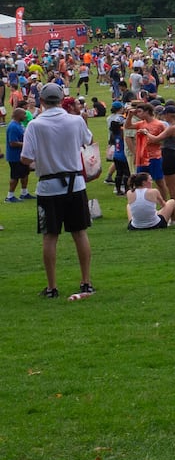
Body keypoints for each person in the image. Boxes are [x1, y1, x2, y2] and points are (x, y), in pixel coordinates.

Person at [21, 83, 96, 299]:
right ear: (62, 99)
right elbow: (88, 141)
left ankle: (52, 286)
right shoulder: (75, 121)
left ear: (42, 101)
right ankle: (86, 281)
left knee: (50, 236)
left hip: (48, 186)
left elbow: (26, 158)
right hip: (75, 184)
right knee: (80, 233)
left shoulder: (35, 125)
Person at [6, 105, 31, 201]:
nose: (25, 116)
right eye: (24, 114)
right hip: (14, 156)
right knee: (15, 176)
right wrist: (27, 144)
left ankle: (24, 193)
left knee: (24, 174)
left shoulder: (18, 124)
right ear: (18, 115)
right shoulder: (13, 126)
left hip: (21, 155)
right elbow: (12, 143)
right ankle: (10, 196)